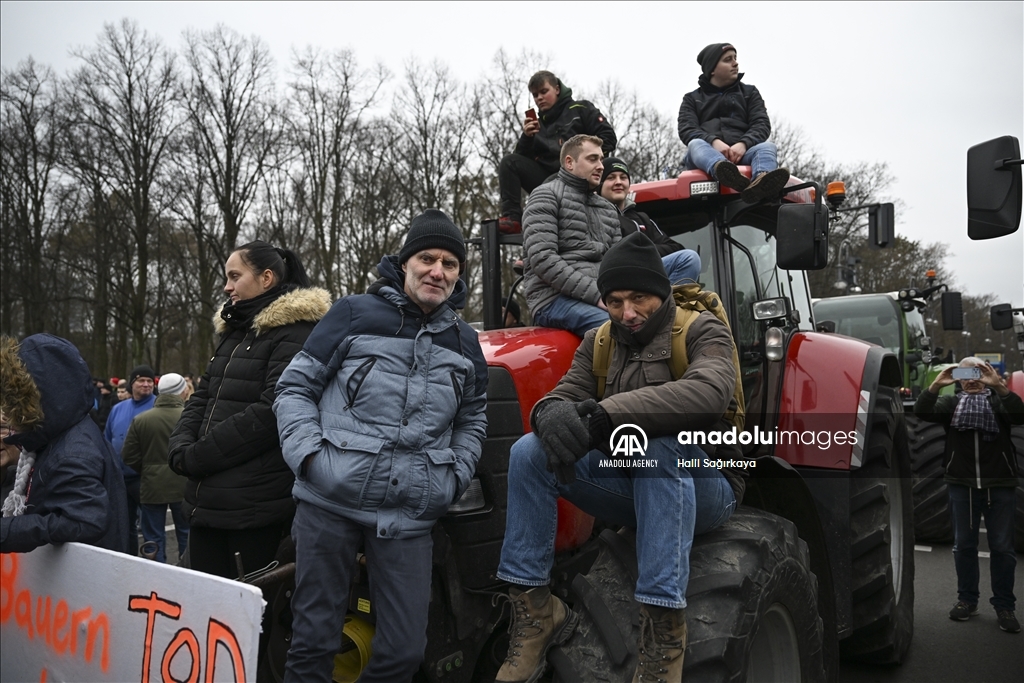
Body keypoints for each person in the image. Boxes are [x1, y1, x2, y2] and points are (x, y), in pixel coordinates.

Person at [495, 232, 741, 683]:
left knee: (660, 444)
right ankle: (536, 612)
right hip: (632, 478)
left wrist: (607, 415)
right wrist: (548, 414)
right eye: (614, 301)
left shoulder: (703, 328)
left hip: (706, 483)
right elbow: (566, 395)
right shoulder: (599, 341)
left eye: (639, 298)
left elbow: (709, 392)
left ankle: (664, 631)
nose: (627, 313)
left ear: (662, 293)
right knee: (529, 451)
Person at [274, 209, 488, 683]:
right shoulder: (353, 313)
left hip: (408, 512)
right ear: (405, 261)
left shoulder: (465, 341)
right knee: (313, 643)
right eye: (427, 258)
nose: (438, 271)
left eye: (450, 264)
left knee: (404, 652)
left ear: (458, 276)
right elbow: (294, 389)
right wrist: (310, 459)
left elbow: (473, 418)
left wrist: (452, 477)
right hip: (329, 501)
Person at [168, 240, 330, 678]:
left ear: (267, 279)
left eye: (234, 276)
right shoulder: (234, 332)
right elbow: (201, 395)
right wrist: (180, 445)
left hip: (253, 510)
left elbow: (270, 410)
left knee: (248, 633)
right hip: (206, 504)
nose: (226, 287)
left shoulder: (297, 332)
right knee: (205, 620)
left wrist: (199, 455)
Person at [914, 357, 1023, 634]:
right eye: (965, 373)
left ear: (987, 373)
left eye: (978, 372)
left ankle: (1004, 605)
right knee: (964, 546)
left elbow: (1019, 416)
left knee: (1001, 548)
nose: (972, 379)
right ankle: (967, 600)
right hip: (961, 484)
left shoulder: (998, 402)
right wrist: (937, 385)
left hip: (999, 483)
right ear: (958, 377)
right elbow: (922, 411)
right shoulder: (950, 405)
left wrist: (998, 387)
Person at [1, 334, 129, 554]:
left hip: (83, 580)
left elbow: (84, 522)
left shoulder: (73, 452)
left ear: (35, 398)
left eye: (14, 401)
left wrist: (8, 530)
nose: (10, 411)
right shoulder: (62, 432)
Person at [521, 134, 622, 337]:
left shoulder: (608, 208)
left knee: (685, 260)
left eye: (601, 159)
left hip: (604, 293)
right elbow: (543, 260)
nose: (601, 165)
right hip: (554, 298)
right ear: (569, 162)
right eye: (593, 159)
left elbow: (619, 261)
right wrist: (598, 295)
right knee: (615, 328)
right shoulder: (545, 195)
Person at [498, 70, 617, 234]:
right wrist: (526, 137)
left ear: (557, 89)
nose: (539, 98)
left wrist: (587, 159)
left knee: (552, 183)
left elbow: (609, 137)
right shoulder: (537, 125)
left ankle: (545, 219)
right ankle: (512, 218)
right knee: (509, 162)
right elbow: (520, 161)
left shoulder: (580, 109)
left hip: (576, 176)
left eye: (543, 91)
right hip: (546, 178)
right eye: (535, 95)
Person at [677, 43, 790, 204]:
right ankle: (721, 170)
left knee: (767, 147)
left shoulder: (750, 93)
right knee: (695, 144)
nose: (735, 63)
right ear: (712, 69)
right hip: (704, 157)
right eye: (728, 59)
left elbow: (761, 124)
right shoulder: (691, 99)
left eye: (735, 58)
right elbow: (687, 129)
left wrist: (744, 144)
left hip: (744, 153)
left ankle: (761, 181)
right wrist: (714, 142)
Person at [121, 372, 192, 564]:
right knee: (186, 533)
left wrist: (147, 469)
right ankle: (189, 574)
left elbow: (128, 455)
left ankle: (156, 577)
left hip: (152, 485)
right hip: (184, 483)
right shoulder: (190, 417)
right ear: (181, 391)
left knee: (153, 536)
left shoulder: (142, 419)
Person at [598, 156, 702, 281]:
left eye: (623, 177)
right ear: (600, 185)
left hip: (649, 273)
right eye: (611, 177)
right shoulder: (596, 215)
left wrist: (642, 250)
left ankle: (669, 300)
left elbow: (675, 248)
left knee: (689, 259)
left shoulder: (642, 218)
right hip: (620, 278)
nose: (618, 182)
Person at [104, 364, 158, 555]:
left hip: (146, 478)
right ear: (132, 383)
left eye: (150, 381)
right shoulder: (118, 409)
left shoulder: (157, 406)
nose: (146, 385)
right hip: (121, 478)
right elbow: (107, 439)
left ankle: (153, 565)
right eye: (141, 380)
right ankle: (130, 561)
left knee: (151, 528)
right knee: (125, 527)